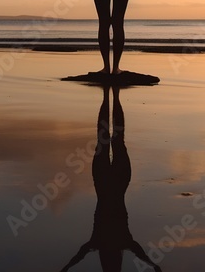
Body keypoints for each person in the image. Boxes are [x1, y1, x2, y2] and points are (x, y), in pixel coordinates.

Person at [59, 85, 162, 272]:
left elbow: (81, 254)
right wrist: (153, 265)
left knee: (111, 139)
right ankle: (111, 96)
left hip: (109, 182)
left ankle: (110, 96)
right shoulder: (110, 242)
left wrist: (66, 267)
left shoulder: (108, 242)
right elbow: (139, 253)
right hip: (108, 182)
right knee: (109, 139)